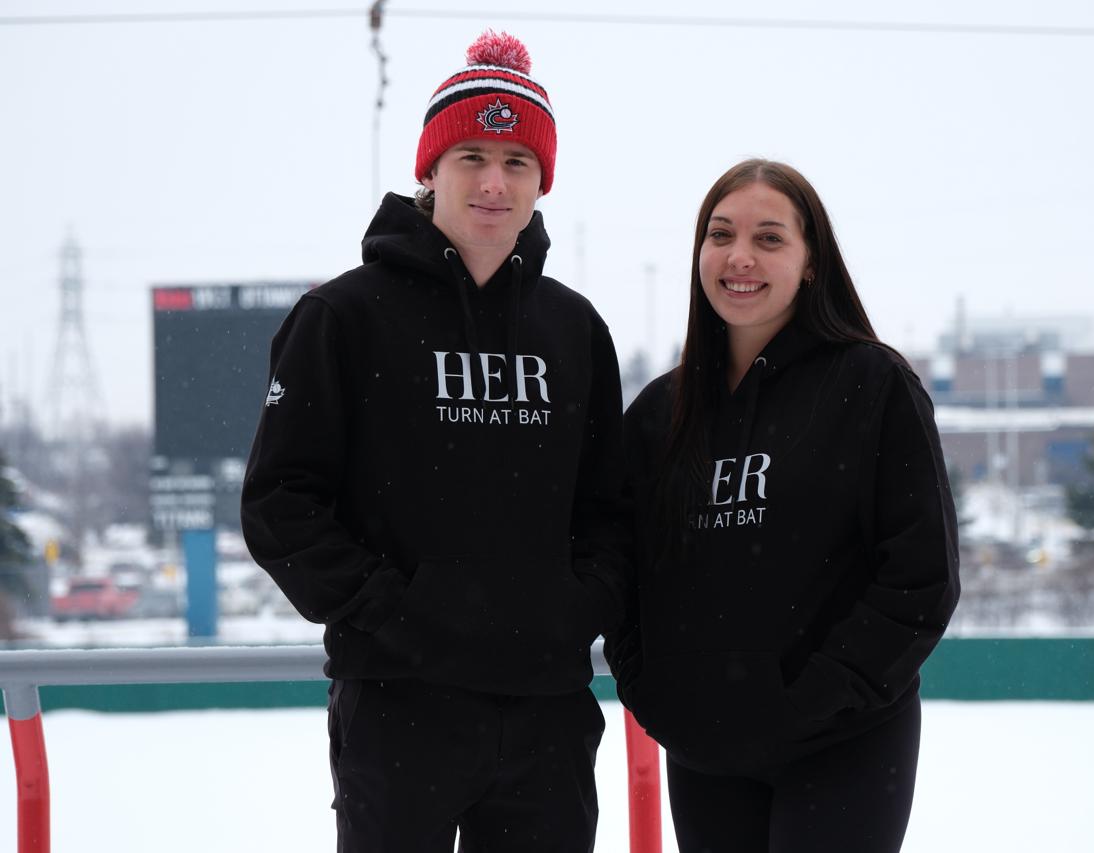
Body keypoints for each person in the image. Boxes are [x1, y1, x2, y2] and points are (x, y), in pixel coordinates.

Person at [241, 31, 627, 853]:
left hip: (548, 712)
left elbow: (611, 510)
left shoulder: (575, 329)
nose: (494, 181)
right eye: (473, 156)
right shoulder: (344, 318)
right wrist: (396, 613)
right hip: (397, 704)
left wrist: (573, 607)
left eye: (518, 160)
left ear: (542, 180)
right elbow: (280, 503)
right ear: (431, 171)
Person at [607, 159, 960, 852]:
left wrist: (811, 698)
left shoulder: (873, 386)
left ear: (810, 263)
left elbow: (921, 579)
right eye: (720, 234)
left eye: (769, 238)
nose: (739, 256)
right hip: (706, 750)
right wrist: (656, 695)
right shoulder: (657, 416)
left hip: (847, 742)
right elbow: (621, 577)